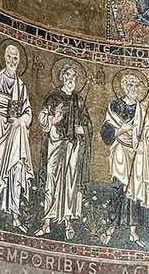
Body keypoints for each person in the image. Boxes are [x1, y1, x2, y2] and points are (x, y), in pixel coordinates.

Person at [36, 63, 93, 239]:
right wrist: (54, 119)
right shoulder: (53, 97)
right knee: (52, 179)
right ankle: (47, 222)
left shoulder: (79, 100)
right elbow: (42, 117)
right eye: (68, 75)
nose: (71, 79)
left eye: (74, 76)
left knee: (70, 182)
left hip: (73, 146)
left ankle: (68, 221)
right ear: (62, 77)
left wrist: (82, 129)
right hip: (56, 143)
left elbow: (88, 124)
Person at [100, 74, 149, 248]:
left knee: (136, 193)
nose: (134, 89)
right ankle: (110, 229)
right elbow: (105, 132)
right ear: (124, 87)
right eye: (130, 85)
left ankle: (133, 232)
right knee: (118, 189)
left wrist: (144, 145)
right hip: (120, 154)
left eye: (136, 85)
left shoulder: (141, 109)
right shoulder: (115, 106)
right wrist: (122, 130)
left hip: (138, 156)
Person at [0, 44, 34, 230]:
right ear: (4, 58)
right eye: (10, 57)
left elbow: (28, 111)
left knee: (15, 171)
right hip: (0, 131)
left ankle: (15, 216)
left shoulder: (21, 86)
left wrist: (19, 122)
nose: (12, 61)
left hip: (16, 134)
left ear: (19, 61)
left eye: (16, 58)